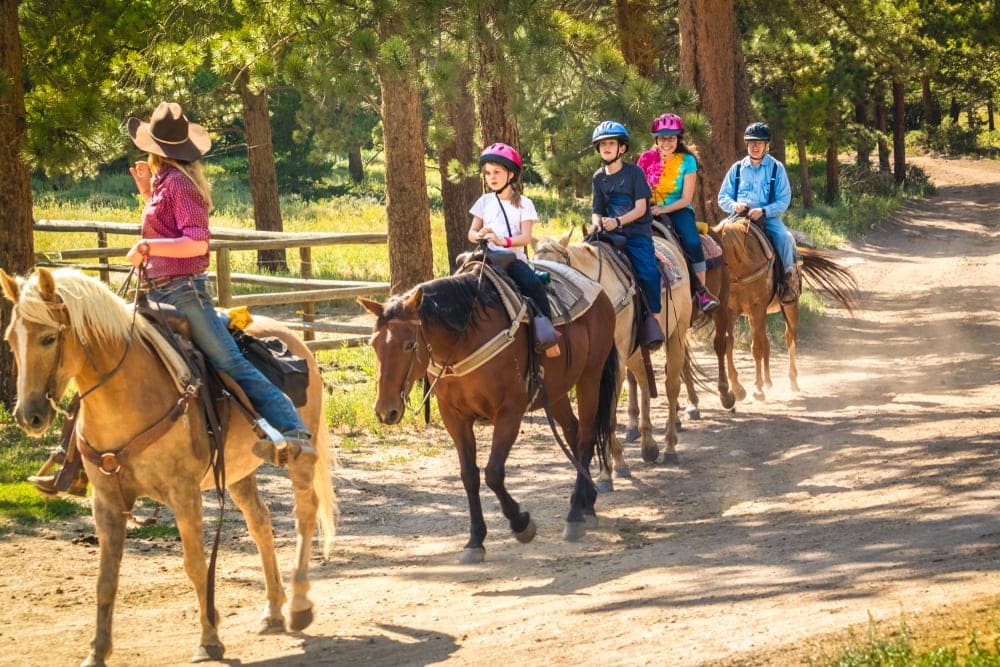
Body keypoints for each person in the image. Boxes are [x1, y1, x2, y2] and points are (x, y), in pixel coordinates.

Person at [124, 101, 314, 466]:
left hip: (182, 291)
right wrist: (148, 196)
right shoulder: (168, 182)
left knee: (231, 363)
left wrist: (148, 245)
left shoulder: (179, 183)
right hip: (161, 289)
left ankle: (293, 429)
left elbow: (196, 242)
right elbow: (169, 227)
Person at [467, 142, 561, 357]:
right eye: (488, 173)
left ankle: (548, 336)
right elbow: (471, 233)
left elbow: (526, 238)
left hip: (512, 261)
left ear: (510, 174)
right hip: (484, 259)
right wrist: (479, 235)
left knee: (533, 285)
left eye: (497, 172)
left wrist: (502, 242)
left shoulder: (524, 203)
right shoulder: (483, 201)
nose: (491, 177)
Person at [587, 121, 665, 348]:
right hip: (608, 233)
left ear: (622, 148)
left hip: (635, 233)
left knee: (649, 272)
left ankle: (654, 319)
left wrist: (619, 221)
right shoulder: (598, 177)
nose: (606, 148)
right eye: (602, 145)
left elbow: (641, 208)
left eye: (611, 143)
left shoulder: (634, 173)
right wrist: (596, 224)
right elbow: (596, 210)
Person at [637, 113, 719, 313]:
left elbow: (686, 198)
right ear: (656, 139)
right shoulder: (646, 159)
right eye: (663, 138)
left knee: (691, 241)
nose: (667, 142)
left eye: (671, 138)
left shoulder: (687, 160)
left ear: (678, 139)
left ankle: (702, 292)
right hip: (646, 210)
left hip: (678, 209)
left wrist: (662, 209)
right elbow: (636, 188)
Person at [718, 121, 799, 304]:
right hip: (738, 217)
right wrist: (734, 206)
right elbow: (722, 197)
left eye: (759, 143)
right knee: (716, 236)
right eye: (752, 142)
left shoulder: (776, 168)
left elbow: (784, 199)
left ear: (766, 145)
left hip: (767, 217)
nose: (755, 146)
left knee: (784, 238)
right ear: (747, 145)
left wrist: (764, 210)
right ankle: (713, 284)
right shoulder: (737, 168)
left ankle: (787, 279)